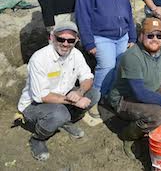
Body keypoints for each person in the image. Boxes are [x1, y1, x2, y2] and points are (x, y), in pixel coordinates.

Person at [107, 18, 161, 158]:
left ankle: (157, 123)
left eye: (159, 36)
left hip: (150, 92)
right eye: (150, 35)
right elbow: (140, 93)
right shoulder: (132, 56)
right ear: (141, 36)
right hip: (125, 99)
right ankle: (128, 136)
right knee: (158, 115)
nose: (155, 39)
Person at [17, 21, 100, 161]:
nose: (65, 44)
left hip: (62, 97)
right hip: (33, 105)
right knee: (59, 113)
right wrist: (74, 100)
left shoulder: (76, 54)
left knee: (94, 94)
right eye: (61, 39)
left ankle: (66, 121)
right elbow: (41, 96)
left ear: (76, 40)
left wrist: (79, 92)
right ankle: (37, 138)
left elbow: (87, 77)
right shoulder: (39, 59)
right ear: (52, 38)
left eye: (70, 40)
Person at [75, 0, 137, 96]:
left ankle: (109, 95)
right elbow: (82, 14)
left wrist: (132, 37)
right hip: (102, 36)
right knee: (106, 66)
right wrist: (88, 41)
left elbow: (128, 12)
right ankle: (95, 98)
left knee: (119, 67)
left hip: (122, 36)